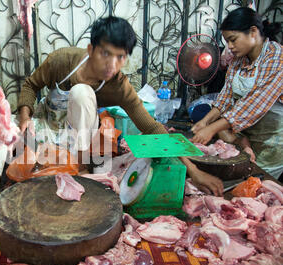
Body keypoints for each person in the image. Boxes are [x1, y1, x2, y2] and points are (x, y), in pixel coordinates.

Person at [12, 16, 224, 195]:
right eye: (105, 54)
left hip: (79, 143)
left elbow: (151, 127)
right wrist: (24, 119)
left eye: (120, 57)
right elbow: (31, 85)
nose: (112, 65)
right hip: (46, 127)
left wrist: (193, 170)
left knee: (81, 92)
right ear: (91, 49)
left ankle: (80, 170)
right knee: (1, 135)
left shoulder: (119, 86)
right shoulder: (62, 60)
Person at [191, 7, 282, 179]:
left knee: (259, 187)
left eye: (233, 40)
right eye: (227, 42)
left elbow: (255, 104)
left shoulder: (276, 58)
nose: (230, 47)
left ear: (253, 32)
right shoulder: (238, 60)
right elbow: (225, 96)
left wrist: (212, 128)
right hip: (246, 134)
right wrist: (204, 122)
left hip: (272, 143)